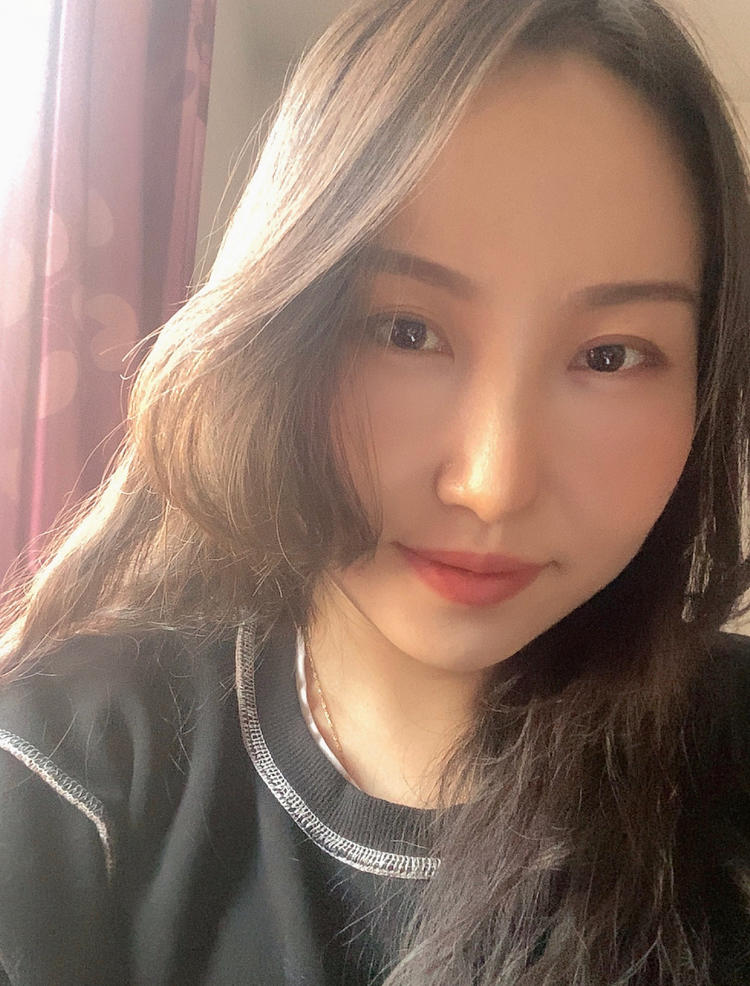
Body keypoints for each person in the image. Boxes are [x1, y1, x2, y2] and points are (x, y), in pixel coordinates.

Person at [1, 0, 750, 982]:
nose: (493, 484)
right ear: (278, 333)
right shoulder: (70, 773)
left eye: (610, 356)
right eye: (406, 331)